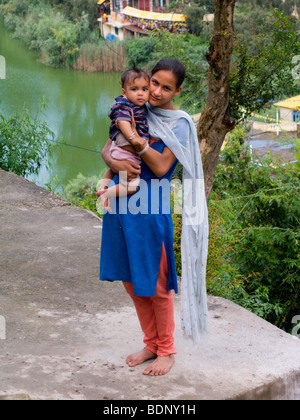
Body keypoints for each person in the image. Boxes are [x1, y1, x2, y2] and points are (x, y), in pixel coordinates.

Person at [100, 58, 209, 376]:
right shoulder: (136, 108)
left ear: (178, 90)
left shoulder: (180, 125)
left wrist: (136, 141)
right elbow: (107, 148)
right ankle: (151, 342)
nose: (157, 92)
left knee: (157, 284)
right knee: (130, 281)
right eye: (154, 84)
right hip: (121, 207)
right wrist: (114, 163)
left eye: (166, 87)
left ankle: (167, 349)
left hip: (151, 210)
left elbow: (161, 167)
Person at [97, 68, 150, 212]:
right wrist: (134, 139)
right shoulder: (125, 104)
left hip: (118, 147)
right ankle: (107, 193)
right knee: (132, 185)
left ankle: (102, 187)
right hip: (126, 144)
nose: (140, 93)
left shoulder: (140, 106)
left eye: (145, 89)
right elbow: (122, 122)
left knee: (112, 170)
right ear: (124, 92)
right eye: (134, 89)